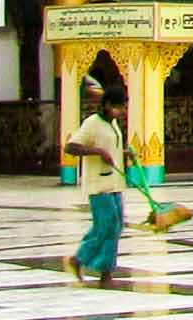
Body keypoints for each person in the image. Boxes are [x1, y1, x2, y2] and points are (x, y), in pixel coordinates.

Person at [61, 85, 129, 287]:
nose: (122, 111)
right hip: (98, 184)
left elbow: (111, 149)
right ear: (107, 105)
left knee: (115, 228)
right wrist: (97, 152)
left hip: (115, 182)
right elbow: (71, 147)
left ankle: (102, 270)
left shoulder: (113, 124)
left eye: (124, 107)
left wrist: (124, 153)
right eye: (119, 107)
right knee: (105, 226)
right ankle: (84, 262)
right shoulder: (92, 123)